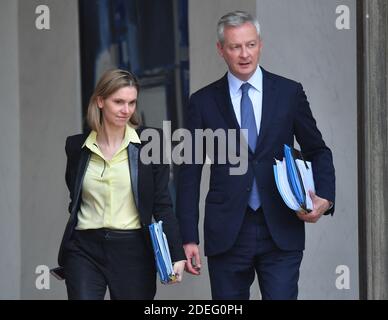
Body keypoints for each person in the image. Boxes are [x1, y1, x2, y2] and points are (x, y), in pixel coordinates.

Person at [176, 11, 335, 300]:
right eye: (235, 46)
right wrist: (187, 237)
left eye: (250, 44)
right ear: (221, 49)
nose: (244, 54)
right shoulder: (202, 102)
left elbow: (317, 150)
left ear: (260, 44)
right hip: (227, 233)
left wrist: (324, 196)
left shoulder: (289, 93)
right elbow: (189, 172)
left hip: (281, 228)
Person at [56, 69, 186, 300]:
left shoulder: (150, 144)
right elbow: (74, 197)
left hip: (133, 250)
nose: (126, 110)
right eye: (118, 102)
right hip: (84, 249)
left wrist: (176, 253)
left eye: (132, 102)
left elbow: (162, 203)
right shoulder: (76, 147)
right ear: (100, 101)